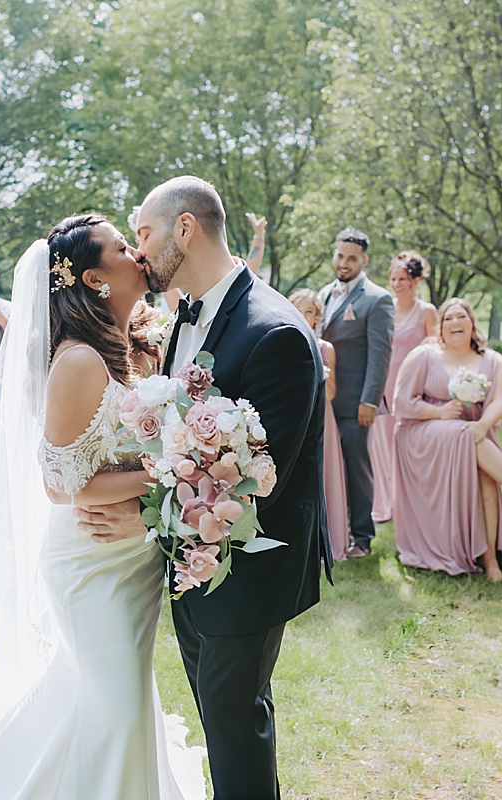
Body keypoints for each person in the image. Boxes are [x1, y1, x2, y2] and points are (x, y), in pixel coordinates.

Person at [0, 217, 195, 799]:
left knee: (109, 702)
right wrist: (163, 471)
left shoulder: (140, 343)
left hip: (135, 555)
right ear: (93, 277)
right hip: (91, 562)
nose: (138, 253)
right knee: (119, 707)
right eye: (121, 248)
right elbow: (61, 483)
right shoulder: (78, 361)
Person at [113, 176, 329, 800]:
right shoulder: (184, 318)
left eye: (145, 235)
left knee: (235, 726)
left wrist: (129, 506)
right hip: (190, 562)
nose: (139, 252)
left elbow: (262, 477)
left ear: (186, 229)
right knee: (220, 721)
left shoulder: (275, 333)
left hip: (243, 567)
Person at [394, 298, 502, 581]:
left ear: (472, 323)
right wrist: (439, 411)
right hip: (423, 434)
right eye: (448, 318)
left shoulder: (492, 360)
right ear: (441, 327)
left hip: (475, 433)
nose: (455, 322)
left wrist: (482, 425)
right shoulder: (424, 357)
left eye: (461, 316)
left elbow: (499, 401)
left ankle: (490, 560)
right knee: (463, 432)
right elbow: (402, 403)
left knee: (485, 475)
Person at [318, 228, 394, 557]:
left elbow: (380, 357)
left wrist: (369, 401)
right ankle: (331, 530)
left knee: (356, 470)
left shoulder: (378, 299)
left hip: (355, 403)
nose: (344, 262)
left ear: (364, 260)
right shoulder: (323, 294)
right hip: (323, 403)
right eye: (340, 255)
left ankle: (362, 537)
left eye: (352, 258)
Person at [369, 251, 438, 523]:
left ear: (416, 281)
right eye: (393, 279)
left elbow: (436, 347)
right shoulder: (384, 307)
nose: (397, 284)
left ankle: (413, 501)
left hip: (413, 387)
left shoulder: (426, 311)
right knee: (382, 447)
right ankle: (385, 503)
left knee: (410, 443)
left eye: (403, 279)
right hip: (384, 385)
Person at [289, 288, 350, 560]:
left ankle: (329, 540)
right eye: (298, 309)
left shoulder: (327, 349)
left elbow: (333, 393)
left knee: (324, 474)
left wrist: (321, 375)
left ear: (317, 318)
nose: (303, 316)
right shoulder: (282, 341)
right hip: (294, 417)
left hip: (322, 417)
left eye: (309, 311)